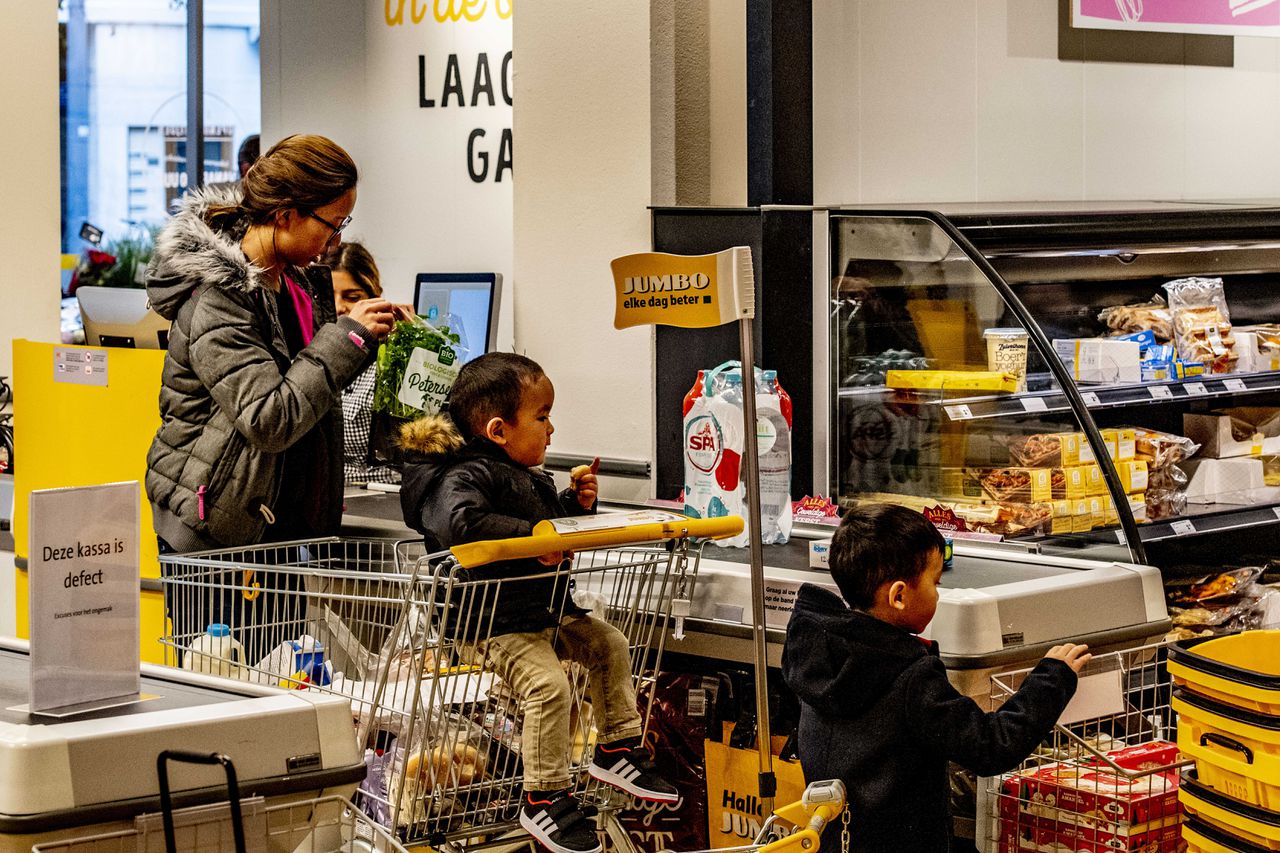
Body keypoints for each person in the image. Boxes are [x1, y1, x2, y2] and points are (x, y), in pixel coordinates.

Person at [398, 353, 678, 853]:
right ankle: (544, 799)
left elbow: (539, 528)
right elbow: (461, 525)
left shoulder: (518, 472)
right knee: (549, 689)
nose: (551, 429)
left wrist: (574, 509)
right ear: (499, 429)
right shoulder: (457, 477)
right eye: (543, 416)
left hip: (542, 609)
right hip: (489, 620)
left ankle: (615, 748)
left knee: (608, 643)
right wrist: (535, 535)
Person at [781, 504, 1090, 853]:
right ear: (899, 596)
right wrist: (1052, 679)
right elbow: (990, 745)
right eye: (935, 582)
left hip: (837, 840)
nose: (938, 593)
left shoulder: (818, 653)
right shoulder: (909, 677)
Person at [146, 133, 396, 553]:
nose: (336, 241)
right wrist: (346, 336)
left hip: (278, 531)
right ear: (285, 215)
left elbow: (310, 390)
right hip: (217, 537)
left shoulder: (296, 285)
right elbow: (269, 418)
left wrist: (375, 338)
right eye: (333, 225)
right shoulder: (219, 300)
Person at [323, 240, 400, 485]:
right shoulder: (305, 354)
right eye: (328, 295)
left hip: (380, 492)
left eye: (352, 297)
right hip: (325, 493)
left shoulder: (391, 360)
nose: (339, 307)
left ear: (374, 296)